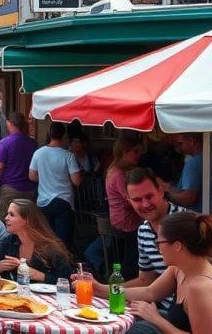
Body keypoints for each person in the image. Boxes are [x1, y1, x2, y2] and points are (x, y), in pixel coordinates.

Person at [79, 167, 188, 321]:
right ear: (129, 201)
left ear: (161, 191)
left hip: (183, 314)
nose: (145, 204)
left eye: (149, 196)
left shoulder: (187, 224)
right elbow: (147, 281)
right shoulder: (143, 230)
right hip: (162, 308)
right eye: (137, 200)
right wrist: (103, 290)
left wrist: (106, 291)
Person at [76, 211, 212, 334]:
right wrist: (102, 289)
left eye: (159, 242)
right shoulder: (178, 269)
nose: (157, 247)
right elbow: (150, 292)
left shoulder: (201, 287)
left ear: (177, 246)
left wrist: (156, 319)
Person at [0, 199, 73, 284]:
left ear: (27, 220)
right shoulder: (8, 242)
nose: (6, 218)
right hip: (11, 296)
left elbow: (67, 284)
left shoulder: (51, 248)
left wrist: (40, 276)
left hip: (44, 296)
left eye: (11, 215)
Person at [28, 121, 82, 245]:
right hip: (63, 201)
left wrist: (45, 177)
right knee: (62, 240)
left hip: (43, 202)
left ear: (49, 134)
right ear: (64, 136)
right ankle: (62, 262)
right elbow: (77, 181)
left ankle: (47, 262)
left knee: (46, 238)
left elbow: (32, 176)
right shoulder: (68, 156)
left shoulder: (38, 153)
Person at [0, 112, 37, 218]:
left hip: (9, 191)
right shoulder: (33, 143)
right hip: (30, 191)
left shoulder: (5, 143)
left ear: (10, 123)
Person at [107, 137, 145, 233]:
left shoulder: (115, 170)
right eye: (136, 152)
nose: (139, 155)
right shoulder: (119, 175)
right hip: (127, 222)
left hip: (121, 219)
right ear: (124, 152)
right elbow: (130, 199)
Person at [163, 133, 202, 212]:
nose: (180, 148)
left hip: (198, 216)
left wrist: (166, 193)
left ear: (191, 142)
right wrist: (170, 188)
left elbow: (188, 198)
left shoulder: (193, 163)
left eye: (181, 144)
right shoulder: (206, 157)